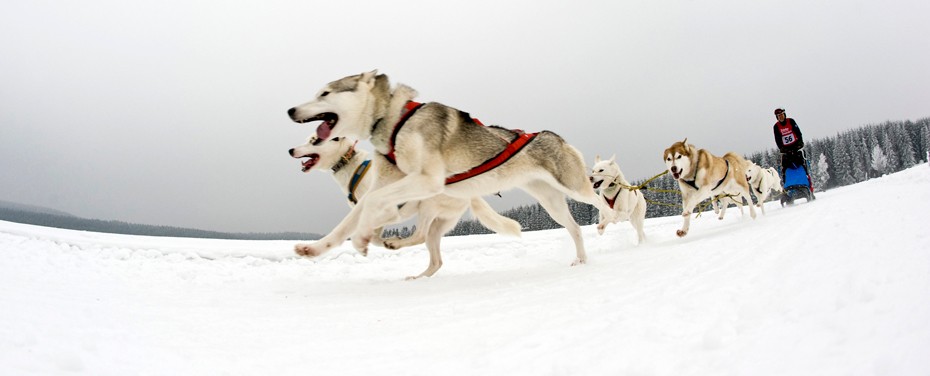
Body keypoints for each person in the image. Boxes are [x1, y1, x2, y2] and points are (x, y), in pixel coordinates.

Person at [772, 107, 814, 194]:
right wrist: (782, 148)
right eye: (778, 116)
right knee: (784, 169)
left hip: (796, 147)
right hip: (786, 151)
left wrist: (800, 143)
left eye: (782, 115)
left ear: (784, 114)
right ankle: (786, 189)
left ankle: (809, 187)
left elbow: (798, 132)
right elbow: (778, 139)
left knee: (803, 165)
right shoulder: (776, 127)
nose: (781, 117)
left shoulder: (791, 121)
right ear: (777, 117)